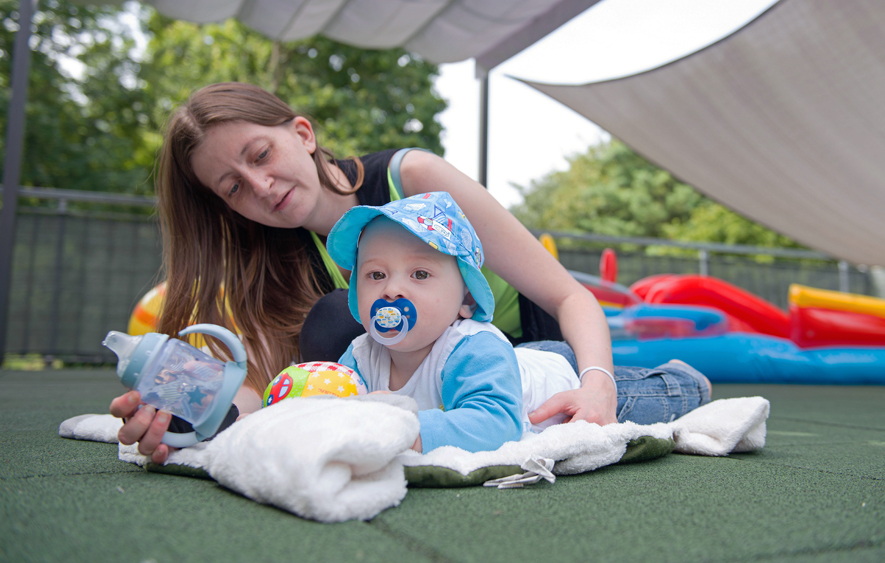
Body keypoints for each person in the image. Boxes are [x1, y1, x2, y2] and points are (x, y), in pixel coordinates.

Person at [110, 82, 620, 463]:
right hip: (422, 399)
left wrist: (598, 385)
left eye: (261, 155)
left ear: (303, 134)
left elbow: (569, 296)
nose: (261, 185)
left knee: (335, 316)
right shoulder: (274, 264)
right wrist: (195, 415)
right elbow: (268, 387)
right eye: (234, 188)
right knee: (332, 323)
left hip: (527, 361)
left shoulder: (413, 180)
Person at [329, 191, 585, 453]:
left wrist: (411, 432)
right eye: (376, 274)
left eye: (420, 274)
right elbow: (332, 409)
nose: (392, 290)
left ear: (467, 299)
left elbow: (496, 422)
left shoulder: (474, 349)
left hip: (558, 369)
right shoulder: (361, 355)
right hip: (512, 358)